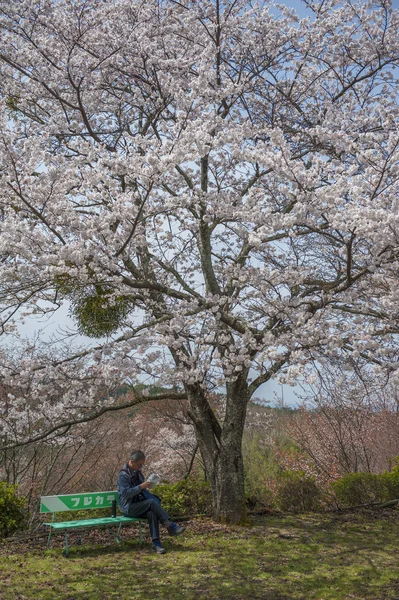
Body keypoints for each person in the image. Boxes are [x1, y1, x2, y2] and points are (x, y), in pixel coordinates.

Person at [117, 449, 186, 554]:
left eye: (142, 465)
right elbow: (126, 494)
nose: (141, 467)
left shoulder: (137, 473)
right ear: (132, 462)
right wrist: (141, 486)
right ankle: (170, 525)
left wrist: (148, 484)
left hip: (139, 504)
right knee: (151, 503)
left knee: (152, 513)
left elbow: (141, 489)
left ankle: (156, 544)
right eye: (139, 464)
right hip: (128, 507)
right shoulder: (123, 475)